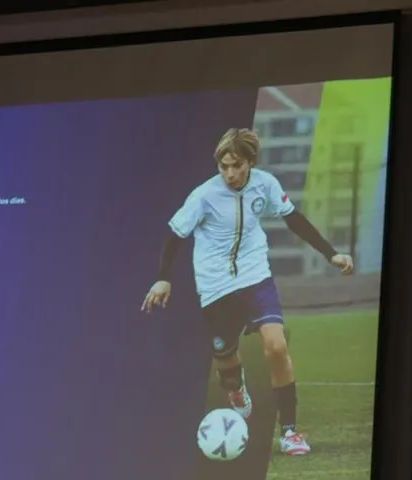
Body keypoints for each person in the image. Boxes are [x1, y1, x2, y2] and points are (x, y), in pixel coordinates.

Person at [142, 127, 355, 458]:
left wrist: (331, 254)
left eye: (237, 165)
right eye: (223, 166)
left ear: (250, 162)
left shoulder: (265, 184)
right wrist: (163, 278)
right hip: (215, 287)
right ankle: (236, 388)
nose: (229, 173)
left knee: (276, 346)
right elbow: (175, 235)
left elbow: (294, 220)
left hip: (256, 278)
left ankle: (290, 433)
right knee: (226, 358)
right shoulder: (204, 196)